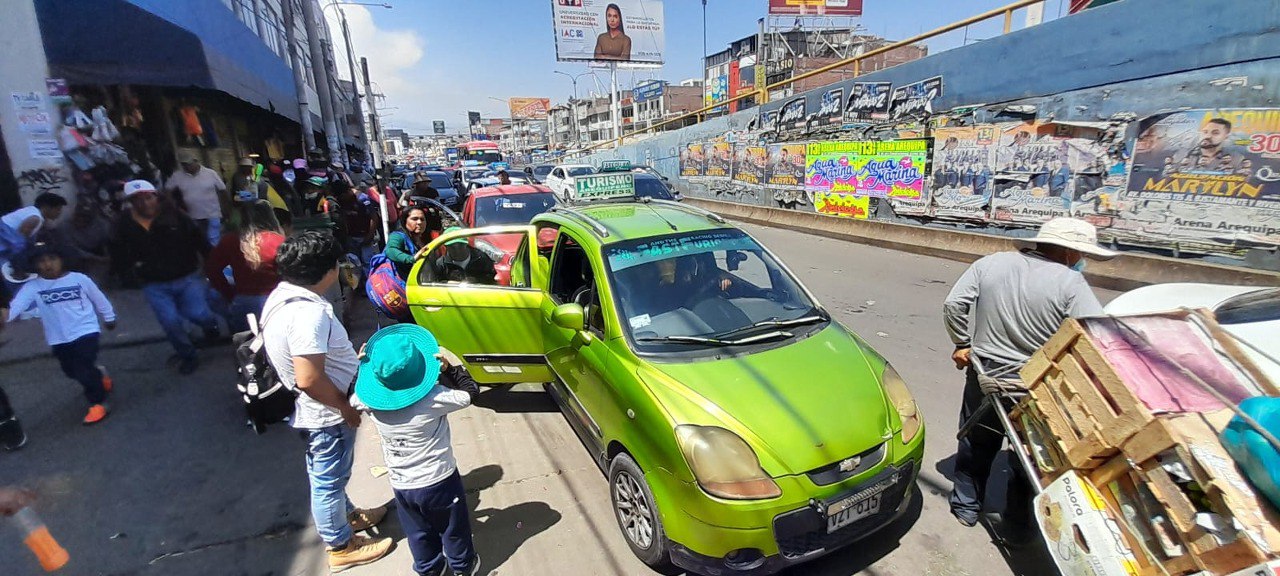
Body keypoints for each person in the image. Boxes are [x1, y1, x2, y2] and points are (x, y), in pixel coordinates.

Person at [942, 217, 1114, 539]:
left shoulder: (992, 264)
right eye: (1079, 254)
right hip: (1036, 382)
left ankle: (966, 506)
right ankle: (1018, 528)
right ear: (1068, 251)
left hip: (986, 373)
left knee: (976, 441)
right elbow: (1095, 335)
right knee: (1030, 454)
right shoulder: (1071, 283)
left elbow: (955, 304)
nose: (1080, 260)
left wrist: (962, 343)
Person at [261, 231, 393, 571]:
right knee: (328, 481)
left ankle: (347, 516)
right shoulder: (308, 314)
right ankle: (340, 545)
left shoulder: (283, 296)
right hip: (326, 414)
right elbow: (307, 377)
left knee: (330, 476)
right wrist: (344, 407)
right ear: (328, 270)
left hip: (318, 409)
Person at [353, 325, 483, 576]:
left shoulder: (367, 401)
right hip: (440, 481)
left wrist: (362, 368)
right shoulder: (435, 398)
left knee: (418, 533)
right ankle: (463, 567)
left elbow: (353, 393)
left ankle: (429, 570)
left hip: (402, 485)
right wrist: (450, 369)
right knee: (453, 529)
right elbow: (470, 394)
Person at [110, 180, 221, 375]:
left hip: (186, 276)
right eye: (138, 200)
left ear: (156, 197)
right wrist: (129, 274)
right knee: (170, 321)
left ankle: (210, 327)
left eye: (148, 197)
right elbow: (118, 253)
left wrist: (211, 265)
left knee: (199, 314)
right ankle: (188, 355)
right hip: (153, 283)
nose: (145, 204)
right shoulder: (124, 224)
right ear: (131, 202)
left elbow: (199, 240)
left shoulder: (176, 216)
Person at [2, 242, 116, 425]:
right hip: (59, 338)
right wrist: (4, 316)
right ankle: (99, 376)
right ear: (34, 265)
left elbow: (99, 298)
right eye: (42, 261)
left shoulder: (79, 279)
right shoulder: (33, 287)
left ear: (62, 259)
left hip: (85, 331)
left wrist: (109, 317)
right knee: (71, 371)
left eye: (52, 259)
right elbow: (15, 308)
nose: (48, 264)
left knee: (82, 368)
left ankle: (98, 402)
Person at [205, 200, 285, 334]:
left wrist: (230, 294)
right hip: (276, 300)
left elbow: (212, 269)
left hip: (243, 301)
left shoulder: (230, 240)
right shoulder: (278, 241)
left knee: (247, 347)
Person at [164, 154, 229, 246]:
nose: (186, 167)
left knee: (213, 238)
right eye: (184, 164)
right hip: (193, 215)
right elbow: (167, 190)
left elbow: (222, 190)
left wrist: (226, 208)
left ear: (196, 161)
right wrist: (173, 205)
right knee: (200, 240)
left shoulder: (210, 173)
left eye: (189, 164)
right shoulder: (178, 176)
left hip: (212, 213)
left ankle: (215, 257)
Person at [430, 227, 496, 285]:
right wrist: (448, 283)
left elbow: (492, 279)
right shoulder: (442, 263)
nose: (457, 250)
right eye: (452, 247)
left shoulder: (481, 258)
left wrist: (476, 280)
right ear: (446, 247)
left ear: (466, 244)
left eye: (460, 245)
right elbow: (434, 283)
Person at [385, 206, 435, 280]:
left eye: (422, 219)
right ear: (405, 221)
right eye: (414, 219)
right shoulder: (397, 236)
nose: (419, 222)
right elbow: (391, 251)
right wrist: (412, 258)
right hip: (404, 284)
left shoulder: (425, 238)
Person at [2, 192, 68, 241]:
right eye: (57, 209)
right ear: (46, 207)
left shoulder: (31, 210)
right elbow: (18, 241)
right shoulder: (35, 218)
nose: (59, 213)